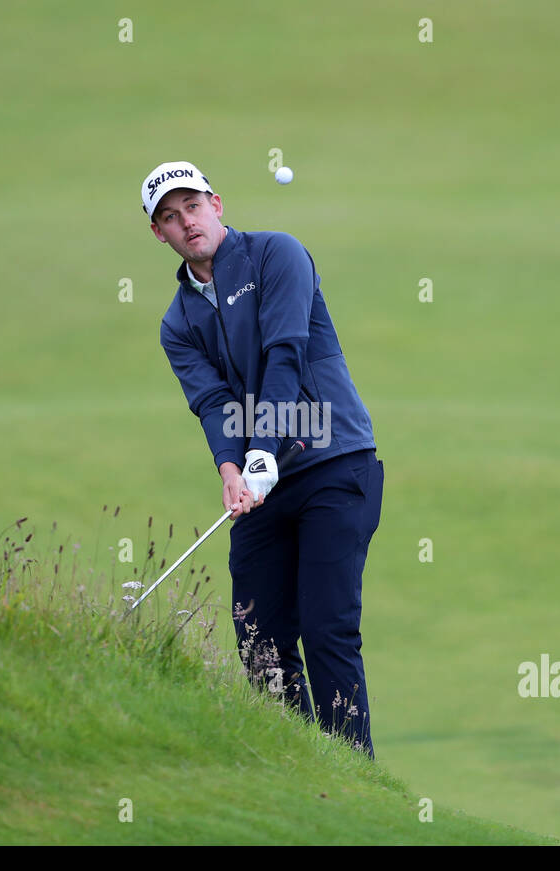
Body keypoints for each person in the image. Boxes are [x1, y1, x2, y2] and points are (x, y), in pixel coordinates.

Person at [141, 160, 384, 758]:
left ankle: (355, 776)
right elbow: (214, 403)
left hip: (334, 464)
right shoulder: (178, 323)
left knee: (328, 630)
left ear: (216, 204)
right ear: (159, 234)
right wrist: (233, 471)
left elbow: (285, 357)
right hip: (262, 486)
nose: (186, 222)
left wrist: (262, 451)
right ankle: (299, 766)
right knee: (257, 634)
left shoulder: (277, 254)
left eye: (192, 206)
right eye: (169, 217)